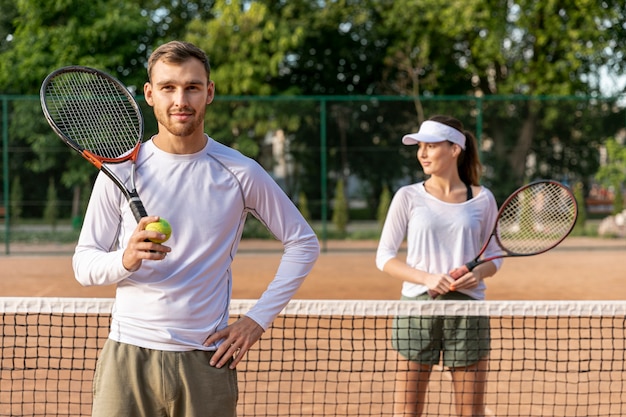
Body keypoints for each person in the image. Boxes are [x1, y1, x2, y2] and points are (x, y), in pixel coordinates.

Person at [73, 40, 320, 417]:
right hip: (127, 355)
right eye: (168, 87)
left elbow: (303, 243)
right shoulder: (119, 171)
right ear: (150, 94)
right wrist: (126, 260)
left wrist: (256, 321)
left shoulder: (241, 172)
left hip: (204, 359)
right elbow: (84, 265)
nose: (180, 99)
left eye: (192, 86)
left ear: (209, 92)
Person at [375, 115, 502, 417]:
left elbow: (494, 257)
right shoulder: (407, 196)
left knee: (470, 412)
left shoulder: (483, 199)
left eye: (431, 146)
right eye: (420, 146)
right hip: (417, 309)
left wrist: (477, 273)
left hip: (468, 311)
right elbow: (384, 256)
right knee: (408, 411)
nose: (422, 153)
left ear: (455, 148)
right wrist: (428, 278)